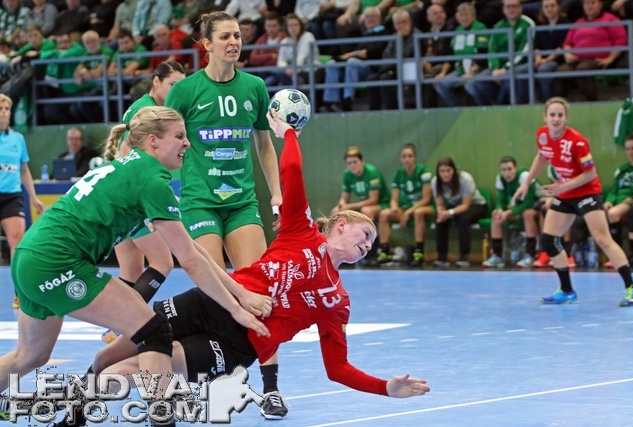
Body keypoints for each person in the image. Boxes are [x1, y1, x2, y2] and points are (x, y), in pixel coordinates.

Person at [82, 110, 430, 427]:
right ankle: (77, 401)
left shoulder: (336, 301)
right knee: (108, 355)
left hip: (236, 344)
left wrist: (385, 388)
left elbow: (337, 368)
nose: (368, 245)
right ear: (341, 224)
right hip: (213, 301)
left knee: (140, 366)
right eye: (366, 234)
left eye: (372, 243)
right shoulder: (300, 231)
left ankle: (77, 407)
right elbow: (292, 173)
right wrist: (289, 134)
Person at [0, 106, 272, 425]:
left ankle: (73, 420)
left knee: (30, 356)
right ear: (153, 141)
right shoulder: (150, 178)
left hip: (29, 256)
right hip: (57, 263)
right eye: (179, 136)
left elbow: (190, 249)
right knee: (154, 331)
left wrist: (239, 291)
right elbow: (190, 260)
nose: (187, 143)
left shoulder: (126, 168)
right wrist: (237, 308)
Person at [163, 11, 284, 418]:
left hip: (241, 203)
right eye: (225, 36)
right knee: (214, 290)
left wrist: (276, 195)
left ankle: (271, 388)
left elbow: (264, 145)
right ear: (206, 44)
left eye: (238, 35)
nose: (234, 42)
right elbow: (165, 144)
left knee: (261, 292)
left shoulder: (254, 87)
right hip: (199, 202)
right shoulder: (185, 91)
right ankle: (201, 373)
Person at [513, 97, 633, 306]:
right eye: (552, 115)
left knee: (602, 239)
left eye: (560, 115)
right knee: (549, 241)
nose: (556, 119)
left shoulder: (577, 141)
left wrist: (562, 187)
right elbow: (542, 156)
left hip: (587, 192)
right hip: (566, 193)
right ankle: (567, 290)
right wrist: (526, 182)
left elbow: (590, 174)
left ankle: (632, 289)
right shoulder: (542, 135)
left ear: (566, 117)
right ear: (545, 117)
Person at [99, 60, 186, 345]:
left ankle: (114, 326)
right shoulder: (146, 111)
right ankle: (122, 324)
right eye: (172, 84)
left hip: (121, 197)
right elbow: (127, 153)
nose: (176, 91)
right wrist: (146, 203)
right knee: (162, 262)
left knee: (132, 270)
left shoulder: (147, 109)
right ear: (156, 82)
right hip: (131, 201)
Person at [0, 93, 44, 309]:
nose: (4, 113)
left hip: (12, 196)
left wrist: (33, 197)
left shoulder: (17, 139)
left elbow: (24, 170)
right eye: (0, 109)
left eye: (7, 109)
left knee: (17, 242)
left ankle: (20, 294)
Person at [553, 0, 627, 102]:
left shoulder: (610, 19)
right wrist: (567, 54)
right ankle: (559, 104)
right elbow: (567, 42)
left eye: (593, 2)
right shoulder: (578, 22)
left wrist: (610, 58)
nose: (589, 6)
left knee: (583, 69)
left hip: (598, 59)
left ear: (600, 4)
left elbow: (620, 40)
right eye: (586, 3)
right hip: (577, 59)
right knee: (560, 72)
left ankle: (592, 102)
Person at [464, 0, 535, 106]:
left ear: (520, 8)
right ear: (503, 9)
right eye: (508, 7)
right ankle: (488, 109)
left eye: (514, 6)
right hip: (498, 66)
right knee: (475, 82)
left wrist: (506, 68)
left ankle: (500, 106)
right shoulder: (498, 26)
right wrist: (495, 68)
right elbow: (492, 49)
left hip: (521, 64)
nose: (511, 9)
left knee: (508, 77)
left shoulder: (528, 23)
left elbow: (525, 50)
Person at [321, 6, 391, 112]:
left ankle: (348, 100)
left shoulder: (384, 32)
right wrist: (345, 57)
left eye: (373, 16)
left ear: (379, 18)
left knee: (352, 62)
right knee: (331, 64)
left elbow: (375, 51)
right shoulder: (362, 34)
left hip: (372, 69)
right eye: (367, 16)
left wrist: (356, 54)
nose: (370, 19)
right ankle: (331, 102)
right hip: (354, 66)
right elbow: (355, 52)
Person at [375, 143, 434, 267]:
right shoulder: (398, 174)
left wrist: (408, 212)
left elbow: (426, 199)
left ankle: (419, 252)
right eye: (404, 156)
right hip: (406, 209)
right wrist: (394, 207)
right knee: (384, 214)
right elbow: (394, 199)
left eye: (410, 156)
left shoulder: (424, 172)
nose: (407, 159)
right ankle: (385, 251)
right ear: (400, 158)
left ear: (415, 158)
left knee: (418, 213)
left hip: (425, 208)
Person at [482, 156, 541, 268]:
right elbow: (501, 201)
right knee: (495, 215)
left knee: (527, 214)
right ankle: (497, 256)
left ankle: (530, 255)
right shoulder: (500, 179)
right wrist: (500, 210)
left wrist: (509, 213)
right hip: (519, 209)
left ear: (516, 168)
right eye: (504, 170)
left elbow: (529, 203)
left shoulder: (524, 176)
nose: (507, 173)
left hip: (538, 207)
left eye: (509, 169)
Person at [432, 156, 487, 267]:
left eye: (448, 170)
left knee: (463, 219)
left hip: (476, 205)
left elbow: (465, 205)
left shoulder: (465, 179)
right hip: (455, 206)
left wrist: (449, 213)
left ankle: (464, 256)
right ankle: (442, 257)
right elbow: (440, 204)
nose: (445, 174)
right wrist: (441, 214)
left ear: (454, 170)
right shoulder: (435, 182)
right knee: (440, 221)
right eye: (442, 171)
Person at [434, 2, 488, 108]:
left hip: (478, 69)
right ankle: (458, 109)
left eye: (466, 14)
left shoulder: (480, 28)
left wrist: (471, 72)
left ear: (473, 16)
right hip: (460, 70)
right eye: (461, 15)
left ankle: (485, 108)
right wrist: (443, 73)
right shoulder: (458, 31)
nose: (464, 18)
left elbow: (482, 55)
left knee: (470, 85)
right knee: (439, 84)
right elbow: (450, 56)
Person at [603, 132, 633, 268]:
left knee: (613, 213)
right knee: (605, 211)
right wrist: (609, 201)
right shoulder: (622, 170)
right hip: (619, 202)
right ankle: (617, 256)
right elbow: (614, 190)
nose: (630, 152)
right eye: (627, 149)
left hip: (630, 202)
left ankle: (617, 257)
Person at [263, 13, 320, 88]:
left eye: (296, 25)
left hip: (309, 71)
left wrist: (293, 70)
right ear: (286, 27)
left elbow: (301, 58)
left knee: (282, 80)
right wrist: (287, 69)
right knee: (271, 78)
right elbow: (280, 62)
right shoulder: (285, 41)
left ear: (300, 26)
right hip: (291, 72)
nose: (293, 28)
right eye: (290, 25)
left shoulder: (307, 36)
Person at [532, 0, 569, 102]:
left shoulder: (565, 23)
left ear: (558, 7)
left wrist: (546, 60)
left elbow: (562, 47)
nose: (549, 9)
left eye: (552, 6)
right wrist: (538, 59)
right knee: (522, 70)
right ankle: (524, 102)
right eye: (546, 6)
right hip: (541, 60)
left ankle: (549, 101)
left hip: (558, 59)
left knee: (544, 69)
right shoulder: (541, 25)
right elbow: (537, 46)